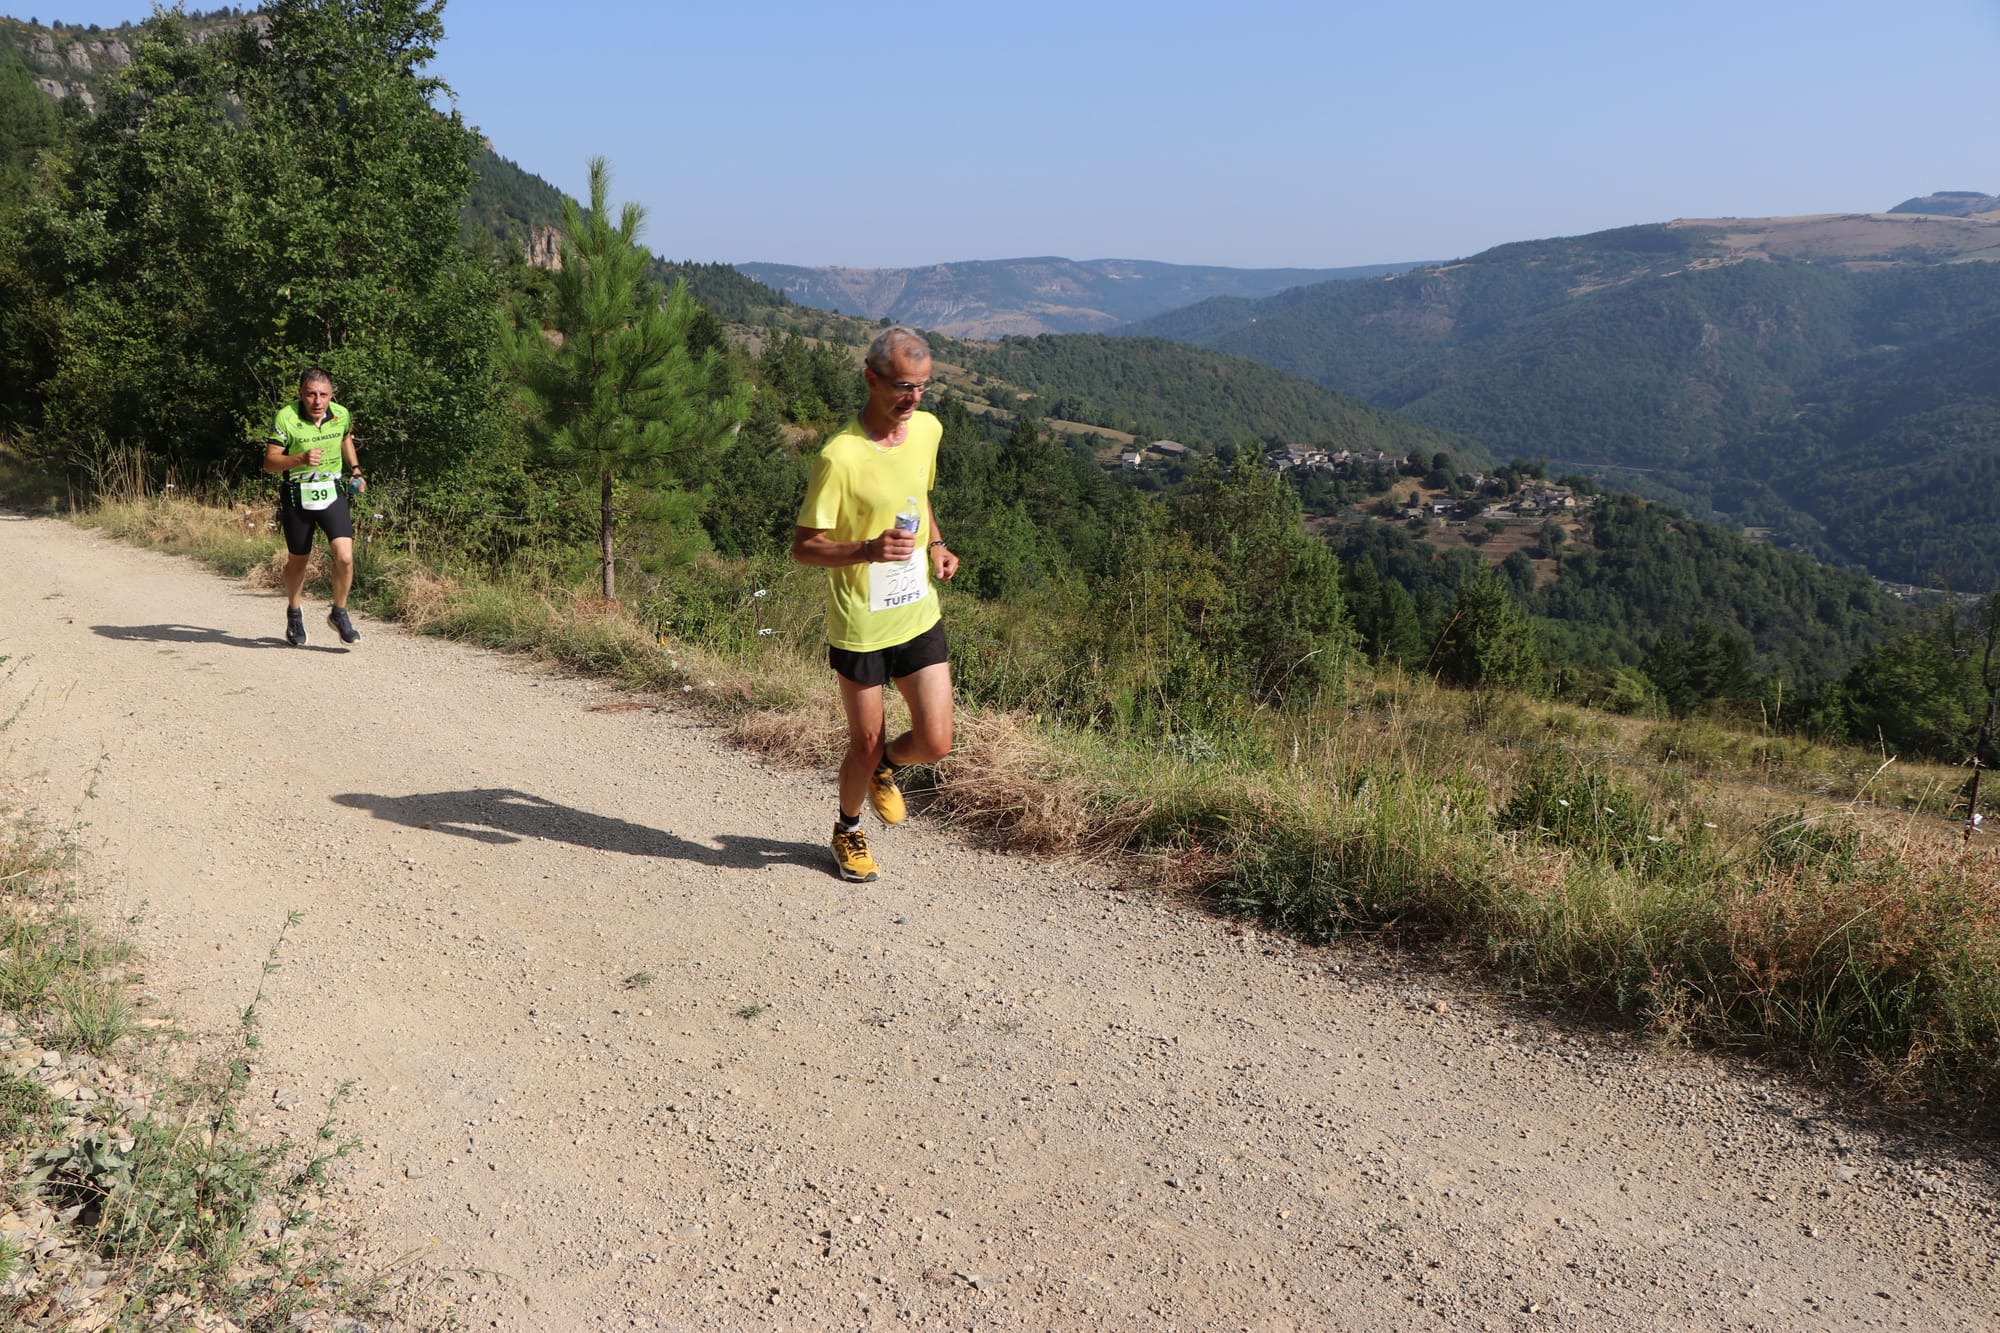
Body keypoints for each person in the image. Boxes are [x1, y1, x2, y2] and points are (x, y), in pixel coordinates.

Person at [792, 327, 959, 882]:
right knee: (863, 743)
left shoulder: (928, 430)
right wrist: (866, 549)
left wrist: (936, 544)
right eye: (904, 386)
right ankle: (847, 829)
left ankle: (886, 767)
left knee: (936, 741)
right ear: (871, 379)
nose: (915, 398)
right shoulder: (839, 456)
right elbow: (804, 547)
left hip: (917, 611)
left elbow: (918, 494)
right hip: (862, 623)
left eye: (923, 386)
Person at [262, 368, 365, 647]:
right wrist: (300, 459)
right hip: (297, 494)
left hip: (331, 491)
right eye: (311, 394)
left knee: (345, 557)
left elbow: (345, 437)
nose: (318, 401)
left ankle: (339, 613)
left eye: (323, 395)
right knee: (298, 560)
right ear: (301, 394)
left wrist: (355, 469)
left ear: (331, 395)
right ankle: (294, 613)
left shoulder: (341, 414)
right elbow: (269, 463)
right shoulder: (286, 417)